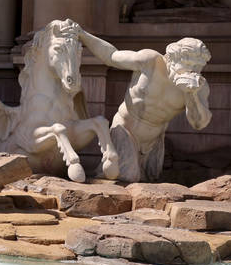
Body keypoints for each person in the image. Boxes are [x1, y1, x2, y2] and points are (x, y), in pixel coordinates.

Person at [77, 30, 212, 181]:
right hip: (126, 128)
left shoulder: (198, 85)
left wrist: (191, 94)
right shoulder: (151, 61)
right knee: (127, 176)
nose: (193, 71)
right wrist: (83, 35)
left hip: (154, 141)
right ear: (174, 57)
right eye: (188, 65)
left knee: (149, 181)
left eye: (198, 67)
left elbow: (199, 124)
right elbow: (111, 56)